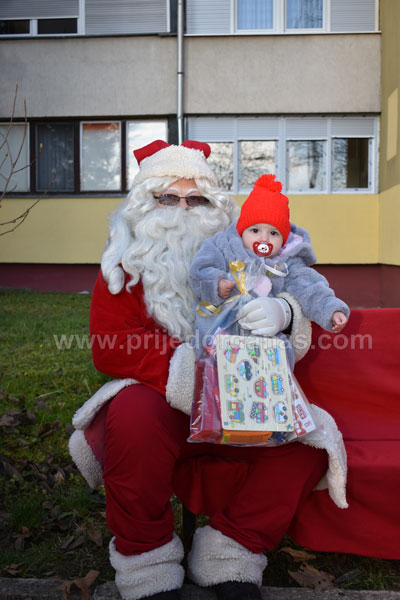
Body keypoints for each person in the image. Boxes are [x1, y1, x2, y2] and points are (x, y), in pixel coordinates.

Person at [69, 140, 347, 600]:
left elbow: (301, 288)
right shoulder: (125, 266)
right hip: (166, 405)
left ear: (215, 207)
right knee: (133, 415)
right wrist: (205, 380)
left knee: (311, 441)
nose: (182, 210)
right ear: (145, 203)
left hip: (247, 401)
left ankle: (229, 552)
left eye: (196, 199)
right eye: (168, 197)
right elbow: (112, 345)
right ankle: (147, 564)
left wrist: (285, 313)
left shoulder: (252, 252)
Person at [189, 173, 350, 368]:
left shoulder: (286, 263)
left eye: (273, 233)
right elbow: (199, 270)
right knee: (211, 366)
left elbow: (310, 288)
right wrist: (215, 283)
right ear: (242, 230)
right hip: (219, 334)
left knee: (280, 356)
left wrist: (331, 309)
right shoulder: (222, 246)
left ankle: (278, 382)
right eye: (255, 230)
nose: (263, 239)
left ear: (283, 239)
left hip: (262, 338)